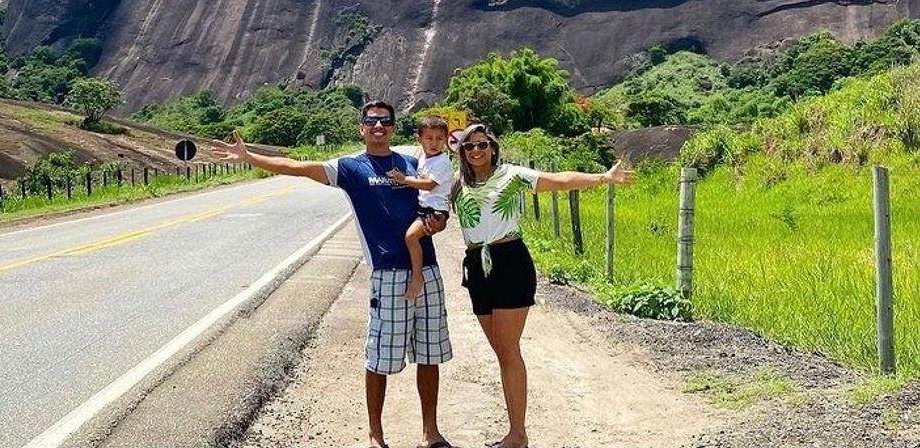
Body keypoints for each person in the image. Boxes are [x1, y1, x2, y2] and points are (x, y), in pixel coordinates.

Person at [210, 100, 453, 448]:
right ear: (362, 128)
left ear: (394, 128)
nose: (378, 126)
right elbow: (296, 166)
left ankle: (431, 432)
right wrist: (251, 158)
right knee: (379, 357)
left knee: (429, 354)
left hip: (426, 267)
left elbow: (439, 197)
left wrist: (440, 223)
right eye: (371, 121)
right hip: (386, 274)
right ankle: (376, 434)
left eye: (385, 121)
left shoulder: (414, 163)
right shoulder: (351, 167)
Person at [452, 123, 634, 448]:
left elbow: (560, 181)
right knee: (501, 352)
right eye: (469, 146)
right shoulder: (458, 185)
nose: (476, 150)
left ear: (493, 147)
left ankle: (517, 435)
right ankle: (515, 432)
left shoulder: (510, 175)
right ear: (462, 153)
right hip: (476, 266)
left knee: (508, 351)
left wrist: (605, 177)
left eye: (482, 144)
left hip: (509, 262)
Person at [387, 114, 456, 301]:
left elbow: (429, 184)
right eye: (429, 138)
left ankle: (418, 278)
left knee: (411, 237)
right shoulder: (425, 159)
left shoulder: (442, 161)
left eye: (439, 138)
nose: (434, 143)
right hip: (425, 208)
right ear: (420, 139)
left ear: (446, 139)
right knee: (411, 236)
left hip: (434, 211)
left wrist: (404, 180)